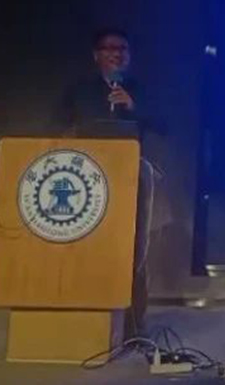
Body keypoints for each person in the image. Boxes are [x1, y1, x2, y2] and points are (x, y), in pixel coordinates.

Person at [54, 28, 162, 340]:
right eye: (109, 48)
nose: (116, 53)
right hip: (87, 181)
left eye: (122, 48)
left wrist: (133, 106)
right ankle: (85, 319)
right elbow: (55, 126)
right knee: (87, 248)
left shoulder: (140, 89)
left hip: (131, 178)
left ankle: (133, 325)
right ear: (96, 55)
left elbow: (164, 124)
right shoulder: (80, 90)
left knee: (133, 250)